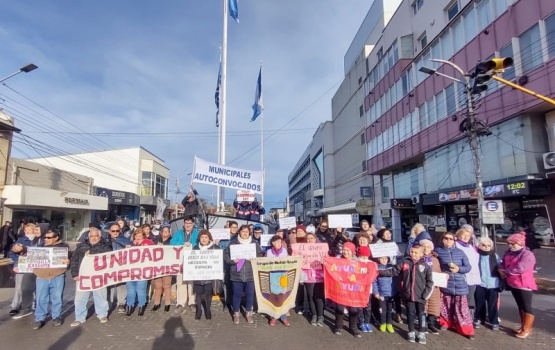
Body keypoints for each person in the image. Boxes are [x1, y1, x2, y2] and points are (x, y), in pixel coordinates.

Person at [381, 244, 434, 344]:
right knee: (410, 313)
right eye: (412, 252)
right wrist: (379, 272)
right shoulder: (404, 262)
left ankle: (421, 332)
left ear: (421, 254)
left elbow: (430, 282)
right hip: (408, 295)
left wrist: (425, 295)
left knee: (421, 315)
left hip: (421, 296)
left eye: (416, 252)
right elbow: (394, 271)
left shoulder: (425, 266)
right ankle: (411, 331)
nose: (413, 254)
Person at [435, 231, 474, 339]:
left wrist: (459, 269)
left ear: (454, 240)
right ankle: (446, 323)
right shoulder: (437, 251)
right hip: (446, 283)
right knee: (446, 306)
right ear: (442, 239)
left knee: (462, 308)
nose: (448, 240)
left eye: (450, 239)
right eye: (446, 238)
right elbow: (434, 265)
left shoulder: (460, 252)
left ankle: (466, 329)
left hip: (460, 283)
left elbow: (468, 267)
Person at [70, 227, 112, 326]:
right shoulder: (81, 246)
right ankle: (79, 317)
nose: (94, 238)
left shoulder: (105, 246)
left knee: (100, 296)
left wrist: (91, 253)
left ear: (100, 236)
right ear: (88, 237)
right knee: (80, 298)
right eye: (92, 236)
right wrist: (75, 274)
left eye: (96, 236)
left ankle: (102, 315)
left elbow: (107, 254)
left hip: (98, 276)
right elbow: (74, 260)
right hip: (83, 277)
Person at [499, 233, 537, 339]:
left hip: (523, 283)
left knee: (526, 306)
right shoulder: (509, 252)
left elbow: (521, 268)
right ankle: (523, 326)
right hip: (513, 283)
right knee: (520, 305)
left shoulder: (527, 254)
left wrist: (506, 272)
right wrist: (500, 269)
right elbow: (503, 262)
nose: (510, 246)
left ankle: (527, 329)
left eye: (513, 244)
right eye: (509, 243)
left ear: (519, 243)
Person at [224, 224, 262, 324]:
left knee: (250, 294)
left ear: (249, 232)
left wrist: (255, 260)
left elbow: (260, 256)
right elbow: (226, 257)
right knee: (236, 294)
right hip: (237, 274)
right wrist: (233, 261)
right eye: (242, 231)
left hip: (250, 274)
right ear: (239, 232)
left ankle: (248, 313)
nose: (244, 233)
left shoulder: (255, 244)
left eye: (246, 231)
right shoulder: (233, 243)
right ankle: (236, 313)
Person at [32, 230, 70, 329]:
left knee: (57, 297)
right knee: (41, 298)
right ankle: (40, 318)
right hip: (42, 276)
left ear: (56, 238)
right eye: (45, 237)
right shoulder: (40, 247)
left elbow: (70, 260)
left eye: (49, 238)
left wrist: (68, 261)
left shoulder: (64, 247)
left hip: (57, 275)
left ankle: (56, 317)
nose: (46, 239)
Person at [9, 223, 43, 319]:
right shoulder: (21, 240)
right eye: (25, 230)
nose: (26, 232)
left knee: (34, 288)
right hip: (22, 268)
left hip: (36, 268)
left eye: (29, 230)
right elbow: (11, 253)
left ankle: (33, 305)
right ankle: (15, 306)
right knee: (19, 288)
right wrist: (16, 263)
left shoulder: (40, 240)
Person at [170, 216, 200, 313]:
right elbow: (172, 243)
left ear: (193, 224)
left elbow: (201, 244)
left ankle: (192, 302)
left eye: (190, 223)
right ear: (184, 224)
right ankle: (180, 302)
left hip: (192, 262)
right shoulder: (178, 233)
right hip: (181, 262)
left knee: (191, 283)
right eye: (186, 223)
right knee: (181, 282)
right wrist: (183, 244)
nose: (188, 225)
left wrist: (191, 245)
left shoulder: (197, 233)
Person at [333, 242, 362, 338]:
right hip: (341, 288)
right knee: (340, 308)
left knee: (353, 309)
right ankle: (338, 326)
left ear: (352, 252)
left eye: (348, 250)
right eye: (344, 250)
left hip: (353, 289)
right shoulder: (338, 259)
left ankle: (353, 327)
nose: (345, 252)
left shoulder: (357, 262)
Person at [455, 226, 481, 325]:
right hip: (462, 276)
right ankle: (460, 318)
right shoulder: (456, 245)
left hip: (473, 277)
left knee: (470, 298)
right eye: (463, 235)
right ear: (458, 236)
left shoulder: (470, 246)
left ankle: (469, 318)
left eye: (468, 236)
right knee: (461, 298)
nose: (466, 237)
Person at [474, 236, 501, 331]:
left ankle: (494, 321)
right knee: (479, 303)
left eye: (489, 245)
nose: (486, 247)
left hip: (493, 283)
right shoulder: (476, 255)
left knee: (492, 304)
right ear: (479, 245)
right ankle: (479, 318)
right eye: (484, 245)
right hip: (479, 283)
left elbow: (500, 267)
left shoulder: (495, 256)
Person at [125, 229, 154, 316]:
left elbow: (153, 249)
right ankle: (129, 306)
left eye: (140, 236)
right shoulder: (130, 244)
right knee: (130, 290)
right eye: (136, 236)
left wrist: (146, 245)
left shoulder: (148, 243)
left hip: (142, 271)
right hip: (131, 271)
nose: (138, 238)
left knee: (141, 290)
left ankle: (141, 306)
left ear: (143, 237)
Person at [193, 230, 219, 320]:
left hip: (210, 277)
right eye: (202, 237)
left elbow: (219, 261)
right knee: (199, 294)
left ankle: (208, 310)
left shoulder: (215, 248)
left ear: (209, 238)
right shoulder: (195, 248)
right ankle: (199, 310)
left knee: (208, 294)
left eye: (206, 237)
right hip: (198, 276)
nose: (204, 239)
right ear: (199, 239)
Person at [265, 235, 290, 326]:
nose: (279, 244)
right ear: (273, 243)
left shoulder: (284, 251)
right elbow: (266, 264)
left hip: (283, 275)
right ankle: (274, 317)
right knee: (274, 297)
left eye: (280, 242)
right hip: (273, 276)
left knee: (283, 297)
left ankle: (284, 317)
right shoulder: (268, 252)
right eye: (277, 242)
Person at [107, 223, 132, 313]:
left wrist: (130, 248)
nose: (115, 232)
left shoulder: (125, 240)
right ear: (110, 231)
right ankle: (108, 303)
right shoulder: (105, 240)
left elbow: (134, 251)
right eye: (113, 231)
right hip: (109, 267)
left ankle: (121, 303)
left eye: (117, 231)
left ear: (120, 231)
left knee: (121, 285)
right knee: (109, 285)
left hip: (121, 266)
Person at [303, 232, 325, 326]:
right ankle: (314, 315)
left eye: (311, 238)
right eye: (308, 239)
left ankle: (320, 316)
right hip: (308, 277)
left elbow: (327, 261)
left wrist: (324, 261)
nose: (310, 240)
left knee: (319, 297)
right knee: (310, 296)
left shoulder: (321, 249)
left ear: (315, 239)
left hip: (319, 277)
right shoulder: (303, 250)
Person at [419, 239, 441, 334]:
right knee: (423, 306)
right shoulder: (419, 258)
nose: (426, 249)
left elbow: (439, 271)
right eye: (424, 247)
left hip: (434, 286)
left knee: (433, 305)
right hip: (422, 286)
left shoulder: (435, 259)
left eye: (428, 247)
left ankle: (431, 324)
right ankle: (422, 325)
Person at [372, 255, 396, 333]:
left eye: (385, 258)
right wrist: (376, 292)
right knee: (382, 310)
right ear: (378, 259)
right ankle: (383, 323)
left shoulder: (392, 267)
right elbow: (374, 282)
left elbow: (396, 280)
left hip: (390, 293)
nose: (384, 260)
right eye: (381, 258)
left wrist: (395, 291)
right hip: (381, 294)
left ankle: (389, 324)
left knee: (390, 310)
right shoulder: (376, 268)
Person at [152, 225, 173, 312]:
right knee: (157, 285)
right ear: (161, 232)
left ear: (169, 233)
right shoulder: (156, 240)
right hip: (157, 266)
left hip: (167, 266)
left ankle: (167, 303)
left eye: (167, 231)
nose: (165, 233)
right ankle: (157, 303)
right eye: (163, 231)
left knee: (167, 285)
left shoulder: (172, 241)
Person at [357, 246, 375, 333]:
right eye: (362, 256)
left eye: (366, 256)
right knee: (360, 306)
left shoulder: (371, 263)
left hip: (368, 289)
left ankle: (367, 322)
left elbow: (373, 275)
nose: (364, 258)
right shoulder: (356, 263)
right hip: (358, 289)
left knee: (368, 306)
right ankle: (361, 322)